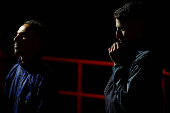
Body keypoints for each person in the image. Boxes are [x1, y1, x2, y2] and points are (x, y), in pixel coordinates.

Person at [104, 1, 164, 113]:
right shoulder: (127, 53)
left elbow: (127, 101)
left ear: (138, 27)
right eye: (116, 29)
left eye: (122, 29)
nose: (117, 35)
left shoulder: (146, 59)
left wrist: (117, 65)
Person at [4, 20, 57, 113]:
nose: (15, 39)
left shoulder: (45, 78)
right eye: (17, 34)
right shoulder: (14, 71)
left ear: (37, 43)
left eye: (23, 35)